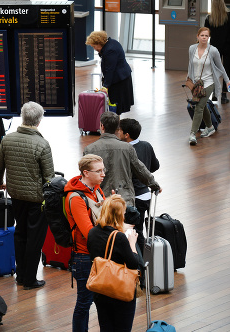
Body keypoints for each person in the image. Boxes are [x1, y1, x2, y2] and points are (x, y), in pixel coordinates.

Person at [0, 101, 54, 290]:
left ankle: (20, 276)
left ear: (22, 117)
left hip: (16, 195)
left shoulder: (7, 139)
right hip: (36, 199)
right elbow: (49, 178)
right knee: (34, 239)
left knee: (20, 233)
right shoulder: (42, 144)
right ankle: (30, 279)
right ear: (39, 121)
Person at [83, 112, 161, 207]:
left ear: (102, 126)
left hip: (100, 200)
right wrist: (154, 185)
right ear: (117, 128)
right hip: (124, 200)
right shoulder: (127, 148)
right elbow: (140, 170)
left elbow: (85, 175)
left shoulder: (90, 149)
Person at [64, 154, 106, 332]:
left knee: (102, 301)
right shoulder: (75, 198)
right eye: (99, 171)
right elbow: (89, 233)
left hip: (98, 254)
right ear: (86, 173)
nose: (103, 174)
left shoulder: (97, 189)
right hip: (84, 258)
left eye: (103, 170)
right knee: (84, 303)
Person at [87, 195, 140, 332]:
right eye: (123, 213)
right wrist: (132, 244)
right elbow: (134, 263)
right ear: (118, 215)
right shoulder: (120, 238)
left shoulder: (92, 232)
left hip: (100, 289)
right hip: (119, 290)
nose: (124, 216)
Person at [118, 118, 159, 249]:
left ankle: (138, 262)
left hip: (134, 198)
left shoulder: (125, 150)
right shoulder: (146, 145)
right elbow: (155, 166)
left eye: (119, 130)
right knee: (141, 230)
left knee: (135, 232)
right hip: (146, 195)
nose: (117, 132)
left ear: (126, 135)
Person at [187, 27, 230, 146]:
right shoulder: (192, 49)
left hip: (209, 82)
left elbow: (221, 67)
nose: (204, 38)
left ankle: (192, 134)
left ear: (209, 37)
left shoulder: (213, 51)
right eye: (202, 35)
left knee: (198, 107)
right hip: (196, 84)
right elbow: (190, 65)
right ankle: (210, 127)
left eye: (206, 36)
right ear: (197, 36)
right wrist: (188, 79)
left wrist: (227, 80)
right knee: (203, 105)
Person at [85, 31, 134, 115]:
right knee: (116, 105)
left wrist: (105, 86)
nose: (94, 49)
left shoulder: (110, 50)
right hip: (121, 77)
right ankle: (115, 124)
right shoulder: (112, 43)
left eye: (94, 46)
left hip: (119, 79)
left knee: (115, 104)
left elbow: (110, 69)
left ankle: (115, 125)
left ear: (99, 42)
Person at [205, 0, 230, 104]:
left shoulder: (209, 19)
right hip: (229, 46)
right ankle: (224, 95)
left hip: (214, 48)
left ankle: (215, 95)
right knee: (227, 71)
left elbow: (206, 34)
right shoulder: (229, 17)